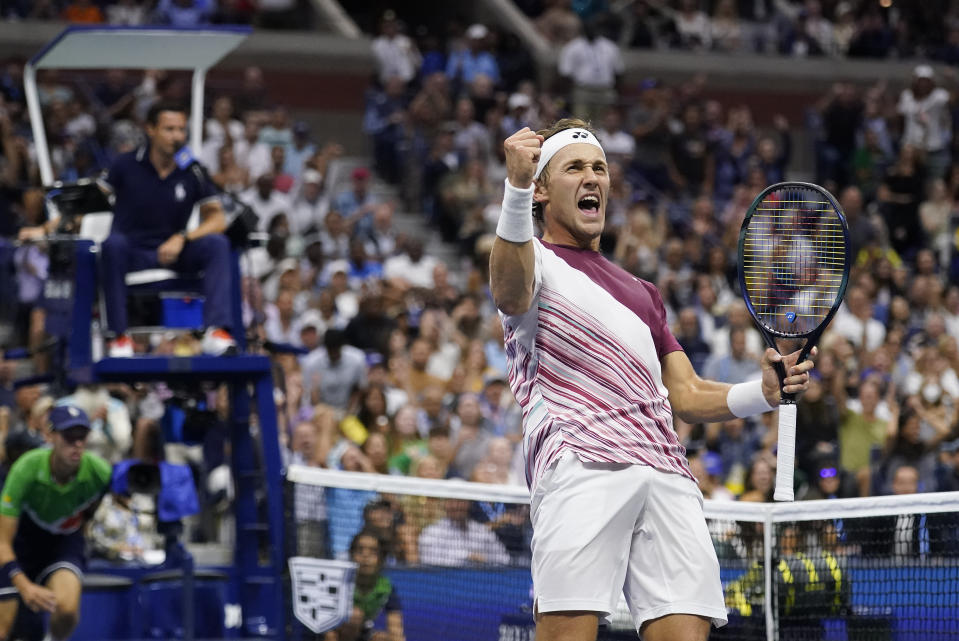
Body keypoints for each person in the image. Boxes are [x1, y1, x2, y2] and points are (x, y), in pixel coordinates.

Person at [488, 120, 815, 641]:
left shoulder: (642, 292)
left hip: (665, 471)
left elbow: (684, 395)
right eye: (574, 167)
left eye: (599, 167)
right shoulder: (533, 261)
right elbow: (507, 293)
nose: (592, 177)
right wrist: (516, 188)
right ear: (544, 190)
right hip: (582, 464)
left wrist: (763, 395)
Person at [19, 100, 236, 358]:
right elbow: (87, 207)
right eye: (169, 129)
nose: (177, 136)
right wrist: (44, 229)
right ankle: (119, 337)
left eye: (181, 129)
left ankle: (215, 333)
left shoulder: (192, 171)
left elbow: (218, 219)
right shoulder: (126, 165)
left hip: (172, 252)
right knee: (113, 244)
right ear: (150, 129)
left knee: (217, 244)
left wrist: (183, 237)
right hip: (131, 253)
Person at [0, 405, 111, 641]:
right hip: (19, 543)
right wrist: (24, 585)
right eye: (69, 437)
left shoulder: (99, 473)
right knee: (3, 629)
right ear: (50, 436)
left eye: (82, 437)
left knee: (67, 611)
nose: (77, 444)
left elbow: (97, 510)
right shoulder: (26, 469)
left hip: (62, 542)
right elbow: (2, 541)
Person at [326, 530, 404, 641]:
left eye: (373, 551)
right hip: (336, 633)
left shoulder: (386, 588)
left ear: (381, 558)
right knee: (355, 616)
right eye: (359, 550)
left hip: (364, 633)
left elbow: (396, 629)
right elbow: (327, 627)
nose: (365, 556)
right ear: (351, 555)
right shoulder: (340, 583)